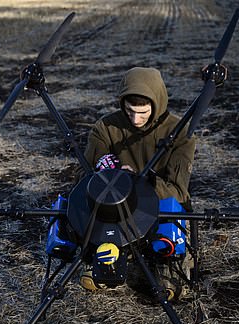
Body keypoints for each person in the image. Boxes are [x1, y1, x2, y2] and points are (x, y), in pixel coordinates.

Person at [80, 67, 196, 300]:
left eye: (143, 112)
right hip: (118, 209)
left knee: (171, 215)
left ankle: (168, 268)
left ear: (158, 104)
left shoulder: (180, 132)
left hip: (160, 203)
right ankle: (102, 258)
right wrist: (107, 170)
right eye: (129, 110)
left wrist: (141, 182)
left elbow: (178, 191)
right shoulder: (106, 128)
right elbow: (87, 177)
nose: (135, 119)